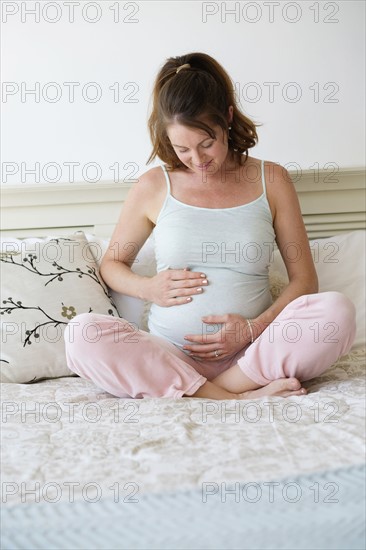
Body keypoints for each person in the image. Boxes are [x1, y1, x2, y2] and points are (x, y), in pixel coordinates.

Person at [64, 52, 356, 400]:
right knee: (82, 333)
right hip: (169, 354)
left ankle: (216, 391)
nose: (198, 160)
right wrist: (149, 289)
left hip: (253, 355)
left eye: (207, 143)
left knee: (336, 311)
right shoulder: (154, 186)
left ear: (228, 119)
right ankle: (232, 398)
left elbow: (305, 281)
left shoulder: (272, 180)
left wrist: (251, 329)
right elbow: (111, 265)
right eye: (182, 148)